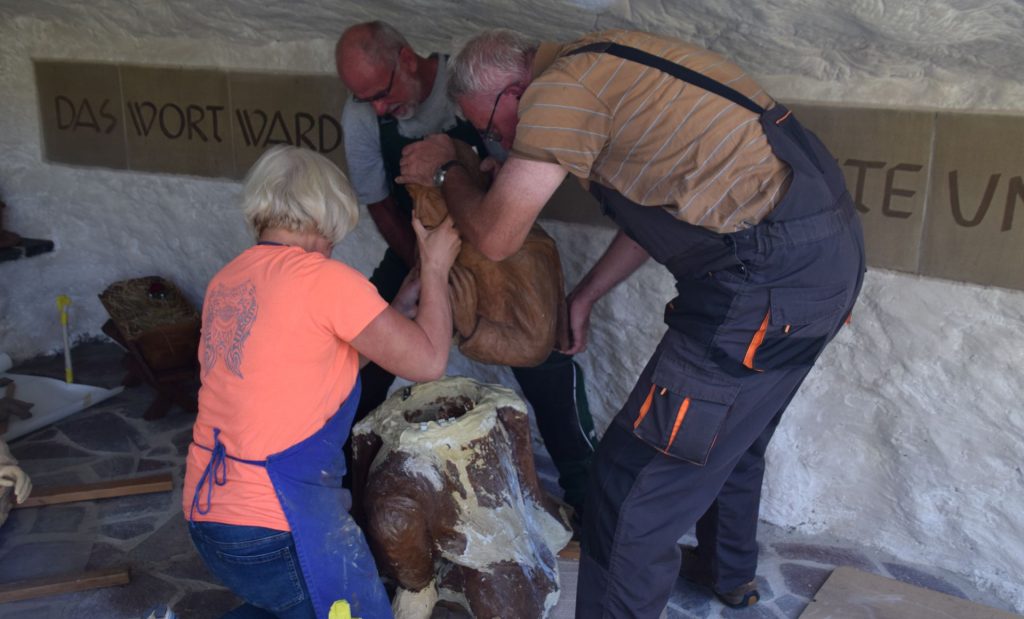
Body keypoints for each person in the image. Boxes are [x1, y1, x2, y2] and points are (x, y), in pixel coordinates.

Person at [398, 29, 866, 618]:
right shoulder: (602, 65)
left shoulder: (558, 94)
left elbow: (494, 236)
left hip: (765, 287)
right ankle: (730, 573)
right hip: (820, 261)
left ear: (515, 89)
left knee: (629, 490)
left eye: (491, 125)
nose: (498, 140)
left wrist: (449, 171)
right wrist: (588, 293)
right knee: (731, 436)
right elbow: (666, 200)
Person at [182, 144, 461, 619]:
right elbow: (429, 360)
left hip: (209, 514)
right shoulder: (325, 279)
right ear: (328, 214)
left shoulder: (230, 279)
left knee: (286, 606)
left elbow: (305, 366)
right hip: (277, 522)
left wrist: (394, 312)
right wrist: (435, 267)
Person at [335, 21, 596, 519]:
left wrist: (464, 163)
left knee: (545, 359)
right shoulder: (362, 115)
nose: (376, 109)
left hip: (498, 246)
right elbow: (381, 206)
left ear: (408, 60)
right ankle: (342, 483)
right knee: (362, 353)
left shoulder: (471, 87)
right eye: (363, 98)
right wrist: (430, 276)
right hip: (415, 248)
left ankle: (589, 496)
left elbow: (519, 180)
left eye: (381, 93)